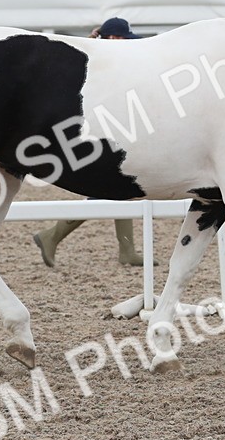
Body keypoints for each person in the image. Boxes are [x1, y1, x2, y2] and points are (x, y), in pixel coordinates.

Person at [33, 17, 145, 268]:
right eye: (117, 37)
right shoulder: (101, 60)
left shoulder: (116, 55)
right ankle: (52, 235)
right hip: (102, 130)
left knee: (120, 190)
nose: (122, 41)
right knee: (109, 189)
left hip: (115, 128)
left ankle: (126, 250)